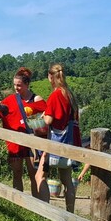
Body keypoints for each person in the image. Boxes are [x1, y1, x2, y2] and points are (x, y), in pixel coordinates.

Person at [0, 67, 47, 198]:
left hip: (32, 141)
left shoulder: (38, 101)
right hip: (15, 142)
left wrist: (33, 124)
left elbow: (47, 120)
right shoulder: (9, 100)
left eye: (19, 85)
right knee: (17, 173)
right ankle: (18, 203)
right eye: (14, 85)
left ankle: (37, 205)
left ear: (27, 84)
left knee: (34, 174)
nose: (16, 88)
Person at [40, 63, 81, 213]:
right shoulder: (69, 94)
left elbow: (49, 121)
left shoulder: (55, 95)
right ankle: (70, 213)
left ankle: (44, 212)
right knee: (67, 181)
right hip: (71, 142)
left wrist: (37, 120)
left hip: (56, 144)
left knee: (40, 176)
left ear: (50, 77)